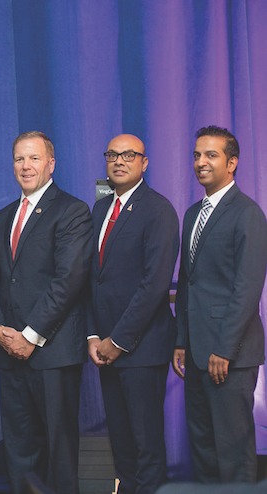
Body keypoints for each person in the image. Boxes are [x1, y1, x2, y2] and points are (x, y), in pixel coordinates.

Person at [0, 131, 92, 493]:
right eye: (18, 159)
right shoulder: (2, 217)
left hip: (51, 352)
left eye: (33, 158)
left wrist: (29, 336)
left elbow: (68, 280)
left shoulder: (72, 211)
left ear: (51, 163)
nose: (25, 166)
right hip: (9, 352)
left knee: (58, 452)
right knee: (18, 449)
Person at [172, 125, 267, 483]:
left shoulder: (248, 214)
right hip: (196, 350)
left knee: (232, 449)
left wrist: (223, 349)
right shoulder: (193, 213)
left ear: (232, 163)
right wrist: (181, 339)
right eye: (197, 155)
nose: (200, 162)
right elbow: (189, 284)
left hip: (230, 355)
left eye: (210, 155)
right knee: (204, 446)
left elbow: (247, 290)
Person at [87, 134, 179, 494]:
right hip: (105, 349)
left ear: (145, 163)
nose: (119, 161)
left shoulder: (158, 210)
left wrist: (118, 341)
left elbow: (154, 286)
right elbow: (92, 280)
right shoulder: (99, 210)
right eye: (112, 154)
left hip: (140, 349)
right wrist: (95, 336)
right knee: (121, 443)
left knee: (146, 445)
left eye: (129, 155)